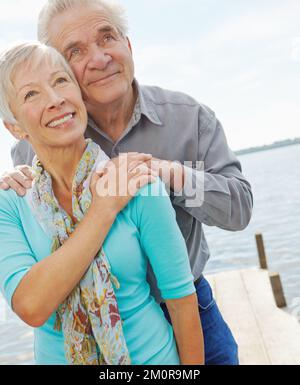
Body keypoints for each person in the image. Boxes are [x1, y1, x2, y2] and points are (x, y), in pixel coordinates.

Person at [0, 0, 253, 365]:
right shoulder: (46, 133)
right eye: (76, 50)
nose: (100, 58)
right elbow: (27, 206)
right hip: (83, 328)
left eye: (108, 38)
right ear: (61, 67)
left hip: (185, 309)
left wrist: (170, 175)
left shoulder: (187, 120)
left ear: (128, 45)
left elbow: (239, 208)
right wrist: (10, 180)